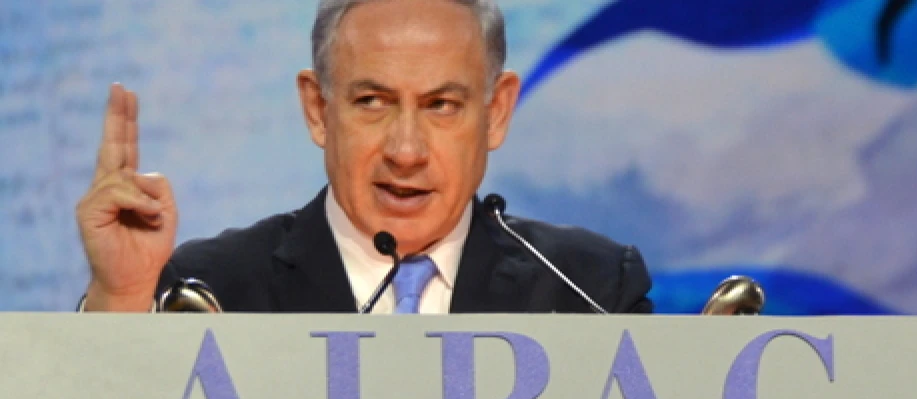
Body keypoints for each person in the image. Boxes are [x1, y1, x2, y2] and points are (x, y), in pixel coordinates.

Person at [75, 0, 653, 314]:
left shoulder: (591, 292)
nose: (405, 151)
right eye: (372, 102)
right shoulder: (211, 291)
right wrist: (121, 301)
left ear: (496, 111)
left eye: (442, 105)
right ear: (319, 109)